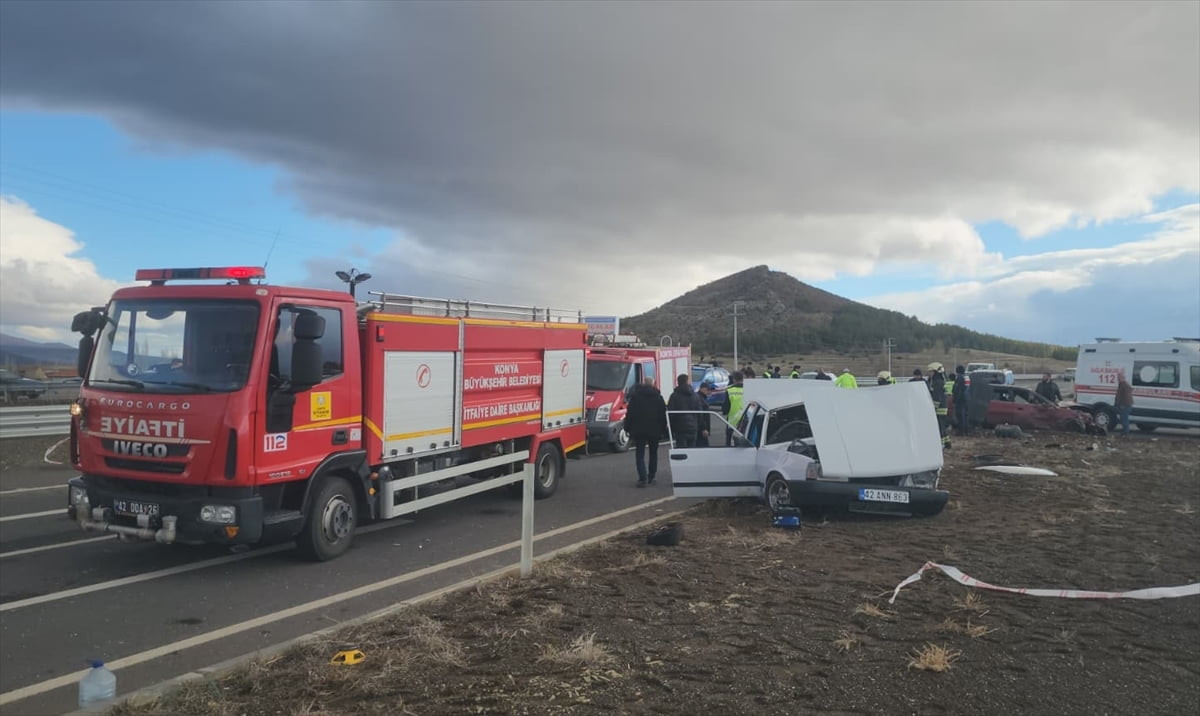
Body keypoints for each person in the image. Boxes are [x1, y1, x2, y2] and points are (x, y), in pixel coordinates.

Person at [625, 377, 668, 487]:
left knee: (640, 454)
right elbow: (662, 415)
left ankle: (642, 478)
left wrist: (627, 428)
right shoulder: (658, 398)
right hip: (655, 430)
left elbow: (630, 414)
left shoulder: (636, 397)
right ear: (653, 384)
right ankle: (651, 477)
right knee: (653, 454)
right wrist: (663, 429)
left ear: (644, 384)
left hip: (639, 430)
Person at [667, 374, 700, 449]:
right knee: (692, 449)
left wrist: (672, 425)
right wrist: (697, 424)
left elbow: (671, 412)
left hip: (680, 427)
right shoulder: (695, 395)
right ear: (687, 381)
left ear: (678, 382)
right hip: (693, 426)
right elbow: (699, 412)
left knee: (681, 449)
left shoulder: (674, 396)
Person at [722, 371, 746, 446]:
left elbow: (725, 408)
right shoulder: (748, 389)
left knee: (729, 443)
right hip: (746, 421)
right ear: (743, 379)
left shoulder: (730, 390)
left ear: (734, 379)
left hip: (732, 422)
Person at [952, 364, 969, 435]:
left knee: (960, 415)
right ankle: (965, 430)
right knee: (965, 415)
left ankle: (960, 431)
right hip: (966, 399)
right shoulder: (966, 377)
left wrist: (955, 400)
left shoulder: (959, 378)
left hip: (960, 399)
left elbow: (957, 389)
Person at [695, 382, 714, 446]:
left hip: (700, 429)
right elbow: (700, 415)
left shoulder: (701, 398)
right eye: (708, 390)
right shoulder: (700, 399)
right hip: (701, 430)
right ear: (703, 389)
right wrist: (703, 428)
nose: (709, 392)